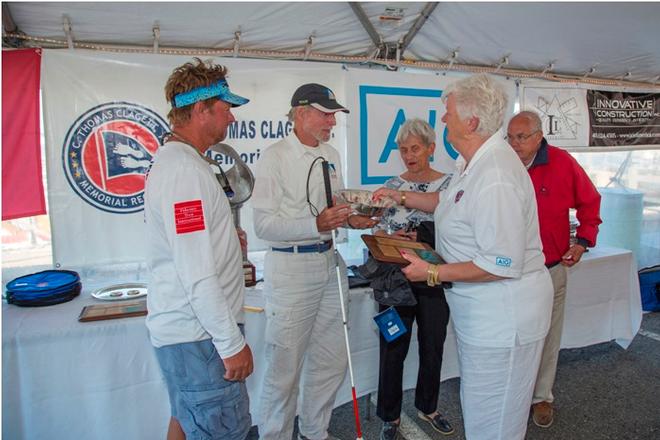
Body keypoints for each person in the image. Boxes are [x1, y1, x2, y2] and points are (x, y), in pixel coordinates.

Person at [373, 74, 553, 440]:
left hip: (504, 319)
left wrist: (432, 272)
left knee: (495, 422)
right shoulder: (472, 163)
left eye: (448, 112)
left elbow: (501, 263)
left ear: (470, 122)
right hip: (484, 315)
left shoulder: (496, 174)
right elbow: (449, 203)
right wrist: (400, 197)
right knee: (482, 413)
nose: (443, 120)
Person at [252, 83, 377, 440]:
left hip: (329, 263)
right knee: (284, 368)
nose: (331, 122)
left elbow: (334, 206)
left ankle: (314, 431)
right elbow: (262, 226)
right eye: (325, 114)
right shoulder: (274, 157)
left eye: (334, 115)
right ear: (300, 114)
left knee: (331, 359)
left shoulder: (332, 154)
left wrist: (354, 219)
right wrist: (315, 224)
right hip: (290, 269)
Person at [144, 58, 253, 440]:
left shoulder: (181, 163)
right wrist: (231, 343)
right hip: (200, 338)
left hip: (189, 335)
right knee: (221, 430)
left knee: (186, 421)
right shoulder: (185, 172)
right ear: (200, 110)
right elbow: (196, 272)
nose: (232, 120)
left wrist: (225, 242)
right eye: (226, 110)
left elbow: (190, 247)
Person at [507, 111, 602, 428]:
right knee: (511, 335)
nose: (514, 143)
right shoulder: (501, 164)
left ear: (538, 137)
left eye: (521, 137)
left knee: (548, 335)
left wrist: (584, 241)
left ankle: (541, 397)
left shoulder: (562, 163)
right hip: (508, 272)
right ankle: (513, 395)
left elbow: (590, 201)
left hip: (550, 268)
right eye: (510, 137)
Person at [372, 119, 454, 440]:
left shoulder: (448, 185)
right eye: (404, 149)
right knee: (392, 346)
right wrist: (385, 233)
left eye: (415, 148)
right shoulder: (392, 183)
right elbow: (380, 228)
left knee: (432, 344)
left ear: (431, 149)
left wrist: (419, 234)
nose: (409, 155)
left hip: (434, 277)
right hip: (395, 279)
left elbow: (454, 229)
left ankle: (428, 406)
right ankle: (389, 417)